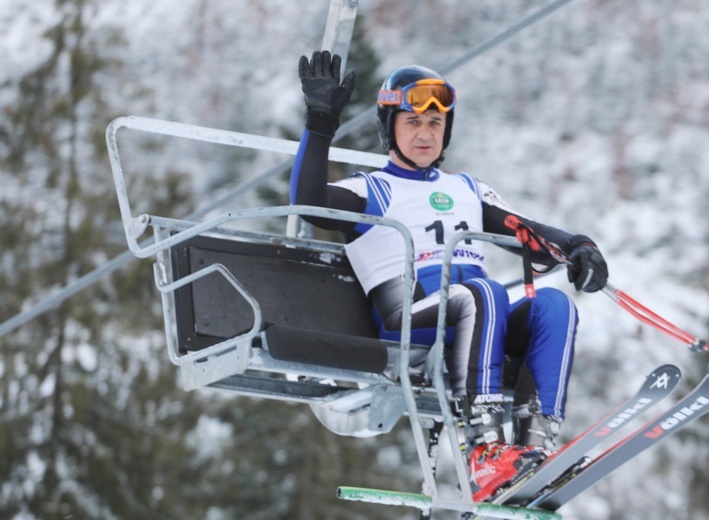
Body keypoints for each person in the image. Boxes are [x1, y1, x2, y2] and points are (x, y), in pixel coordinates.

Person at [289, 50, 609, 501]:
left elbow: (526, 230)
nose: (425, 134)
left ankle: (535, 443)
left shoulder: (467, 189)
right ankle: (483, 449)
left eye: (435, 124)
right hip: (411, 323)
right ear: (390, 129)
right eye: (413, 123)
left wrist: (578, 245)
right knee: (482, 292)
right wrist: (320, 123)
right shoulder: (372, 189)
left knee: (553, 307)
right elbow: (309, 200)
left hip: (479, 320)